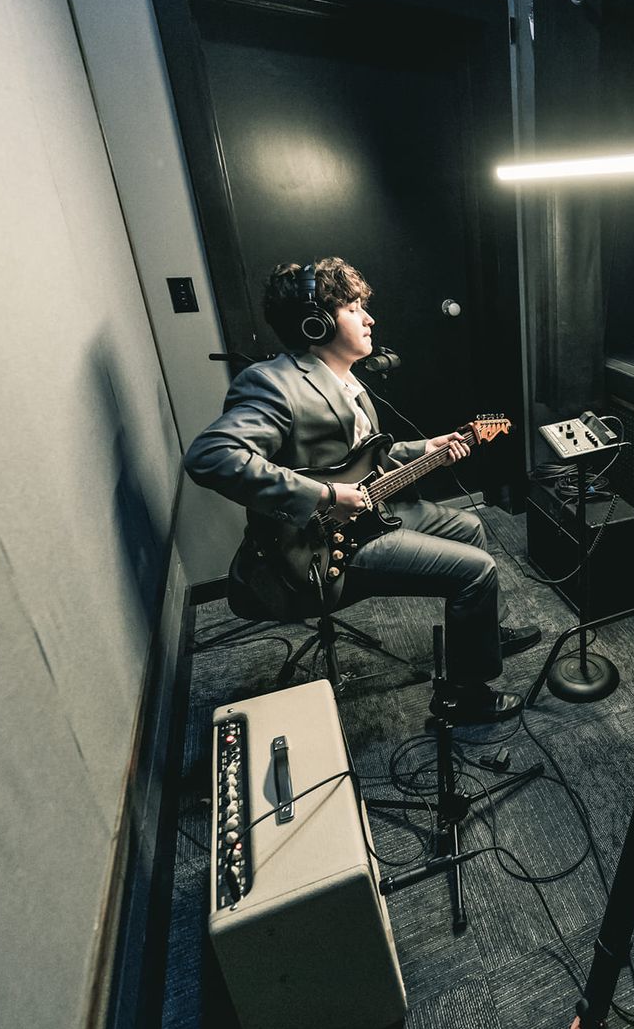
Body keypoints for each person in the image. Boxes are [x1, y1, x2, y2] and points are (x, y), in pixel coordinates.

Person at [185, 257, 539, 721]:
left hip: (369, 512)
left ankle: (483, 632)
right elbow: (212, 457)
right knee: (477, 570)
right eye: (353, 309)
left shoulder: (346, 379)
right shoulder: (274, 384)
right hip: (320, 545)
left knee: (469, 528)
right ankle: (462, 696)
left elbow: (360, 461)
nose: (369, 318)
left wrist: (426, 448)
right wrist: (327, 496)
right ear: (317, 323)